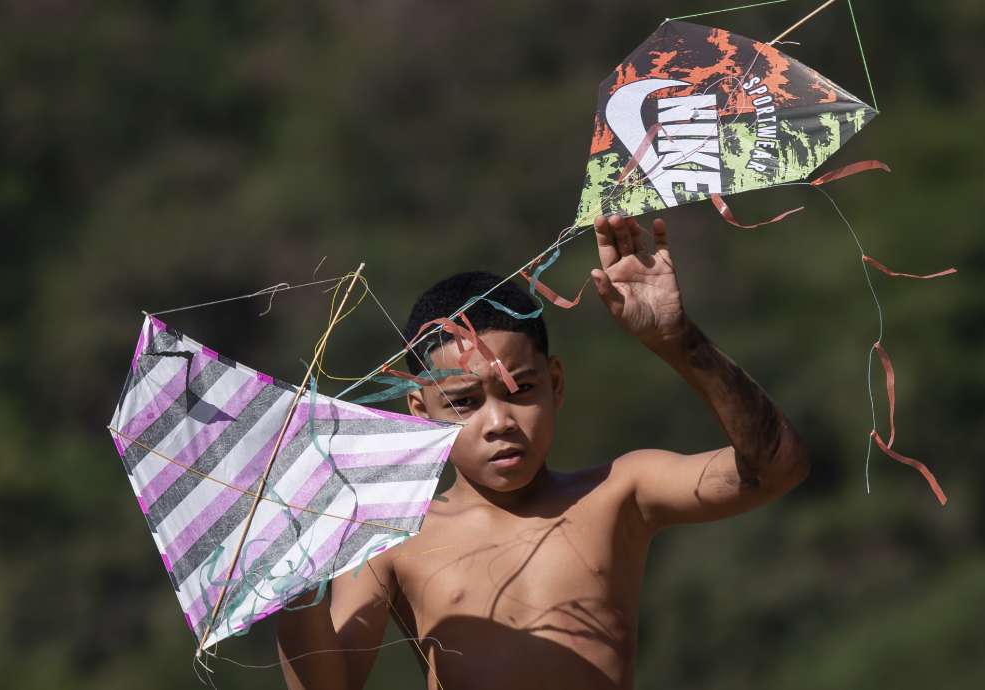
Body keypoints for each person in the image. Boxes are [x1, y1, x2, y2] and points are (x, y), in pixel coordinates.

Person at [276, 214, 810, 690]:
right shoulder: (392, 539)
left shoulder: (618, 494)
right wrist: (290, 574)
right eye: (463, 402)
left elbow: (776, 469)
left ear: (555, 383)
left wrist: (678, 339)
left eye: (521, 389)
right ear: (421, 412)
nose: (499, 422)